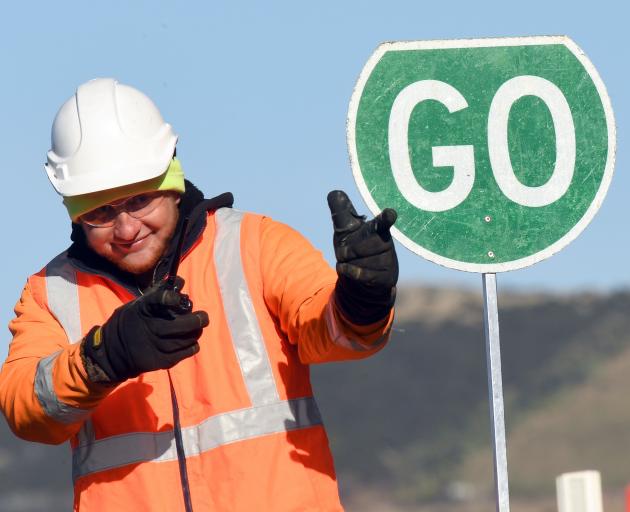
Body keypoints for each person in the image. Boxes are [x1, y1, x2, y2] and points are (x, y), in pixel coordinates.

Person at [0, 78, 398, 511]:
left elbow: (343, 335)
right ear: (74, 212)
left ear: (171, 180)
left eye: (140, 201)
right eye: (100, 212)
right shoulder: (50, 293)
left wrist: (363, 297)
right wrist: (101, 358)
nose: (127, 228)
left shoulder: (254, 243)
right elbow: (26, 410)